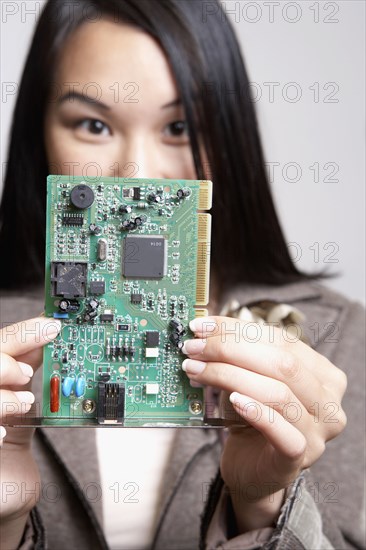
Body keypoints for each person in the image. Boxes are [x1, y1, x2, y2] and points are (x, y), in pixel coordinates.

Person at [0, 1, 364, 549]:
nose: (137, 175)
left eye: (180, 126)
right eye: (93, 125)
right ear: (40, 137)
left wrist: (264, 504)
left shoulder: (346, 341)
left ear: (230, 139)